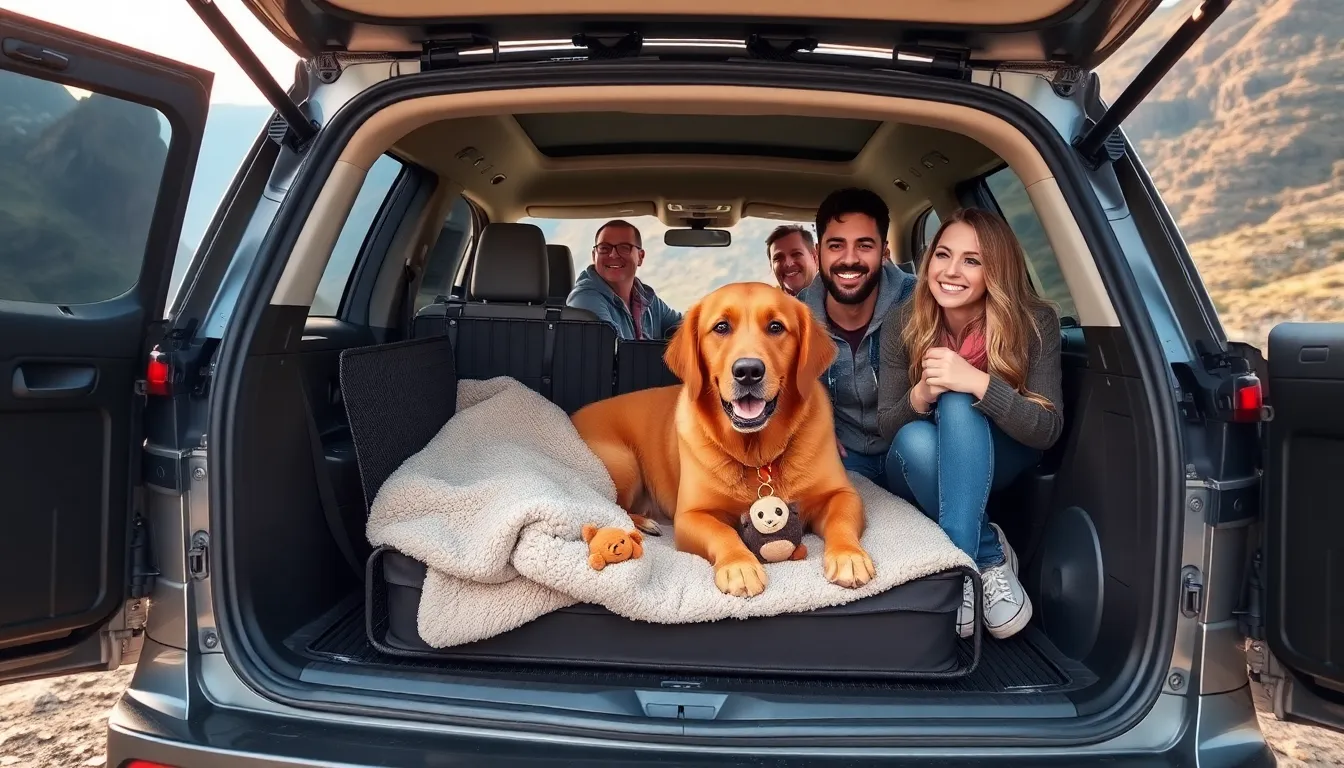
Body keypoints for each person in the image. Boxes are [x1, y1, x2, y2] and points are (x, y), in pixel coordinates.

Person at [875, 207, 1063, 641]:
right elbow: (888, 429)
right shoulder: (904, 323)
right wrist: (921, 393)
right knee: (917, 436)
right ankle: (984, 554)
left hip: (1004, 458)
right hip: (919, 464)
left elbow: (1046, 430)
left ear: (995, 271)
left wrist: (978, 382)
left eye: (972, 261)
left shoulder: (1035, 322)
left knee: (960, 398)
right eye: (943, 255)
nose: (951, 271)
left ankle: (957, 572)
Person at [796, 188, 916, 475]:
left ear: (884, 252)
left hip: (911, 450)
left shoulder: (921, 301)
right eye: (836, 245)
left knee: (919, 446)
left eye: (864, 245)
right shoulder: (795, 318)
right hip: (843, 457)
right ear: (817, 253)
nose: (849, 259)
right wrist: (813, 425)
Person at [567, 219, 682, 340]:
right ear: (594, 256)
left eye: (624, 247)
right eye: (604, 248)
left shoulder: (646, 299)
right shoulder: (585, 300)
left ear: (640, 257)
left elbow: (687, 328)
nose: (613, 255)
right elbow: (614, 354)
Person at [765, 224, 819, 296]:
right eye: (778, 258)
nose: (788, 263)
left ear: (815, 257)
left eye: (796, 254)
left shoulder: (836, 301)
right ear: (771, 267)